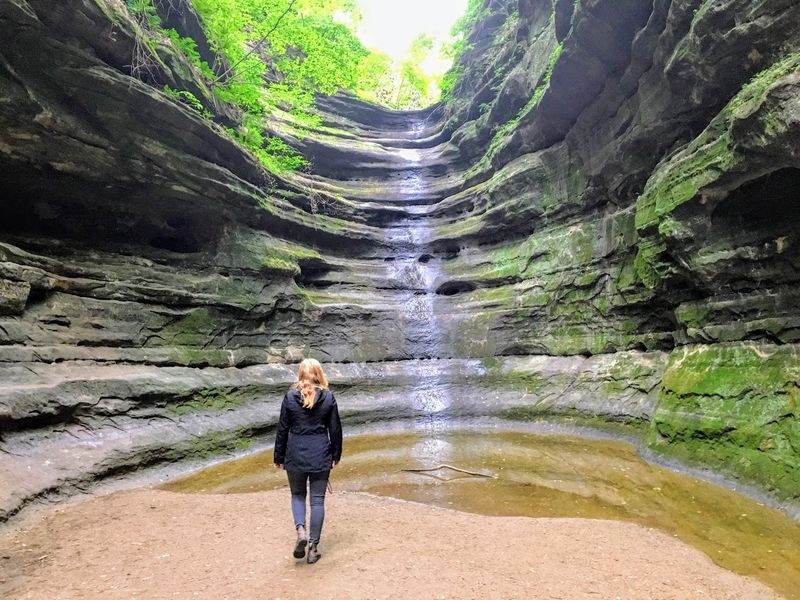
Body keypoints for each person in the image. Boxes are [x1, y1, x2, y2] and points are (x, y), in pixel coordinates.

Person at [273, 358, 342, 564]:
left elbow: (282, 429)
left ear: (300, 374)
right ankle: (313, 547)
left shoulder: (290, 397)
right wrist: (335, 455)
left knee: (297, 495)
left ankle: (301, 530)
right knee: (318, 500)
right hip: (320, 454)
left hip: (295, 454)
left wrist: (278, 456)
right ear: (319, 374)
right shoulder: (328, 398)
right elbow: (335, 430)